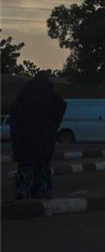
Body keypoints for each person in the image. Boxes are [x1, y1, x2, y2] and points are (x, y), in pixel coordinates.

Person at [10, 71, 66, 200]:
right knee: (42, 165)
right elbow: (62, 106)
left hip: (25, 138)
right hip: (44, 137)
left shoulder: (26, 93)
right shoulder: (50, 95)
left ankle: (24, 190)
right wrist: (52, 124)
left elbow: (15, 111)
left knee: (26, 165)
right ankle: (42, 190)